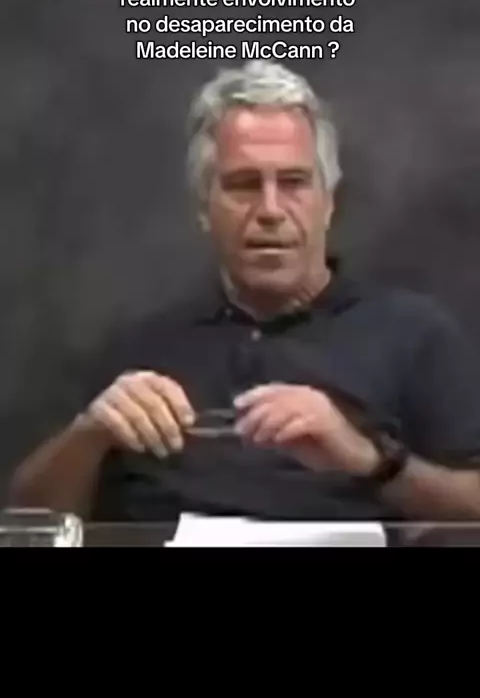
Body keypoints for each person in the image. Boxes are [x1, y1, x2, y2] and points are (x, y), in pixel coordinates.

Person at [7, 59, 480, 524]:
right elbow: (27, 522)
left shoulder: (415, 337)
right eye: (244, 185)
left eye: (293, 182)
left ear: (328, 203)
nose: (270, 210)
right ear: (204, 208)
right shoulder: (140, 350)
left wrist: (370, 460)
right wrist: (89, 434)